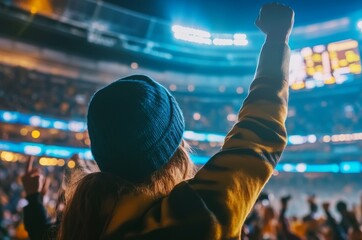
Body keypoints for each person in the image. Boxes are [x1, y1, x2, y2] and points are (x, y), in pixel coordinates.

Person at [58, 3, 294, 240]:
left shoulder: (80, 223)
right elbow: (258, 134)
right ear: (172, 153)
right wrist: (276, 41)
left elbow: (257, 138)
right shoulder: (196, 217)